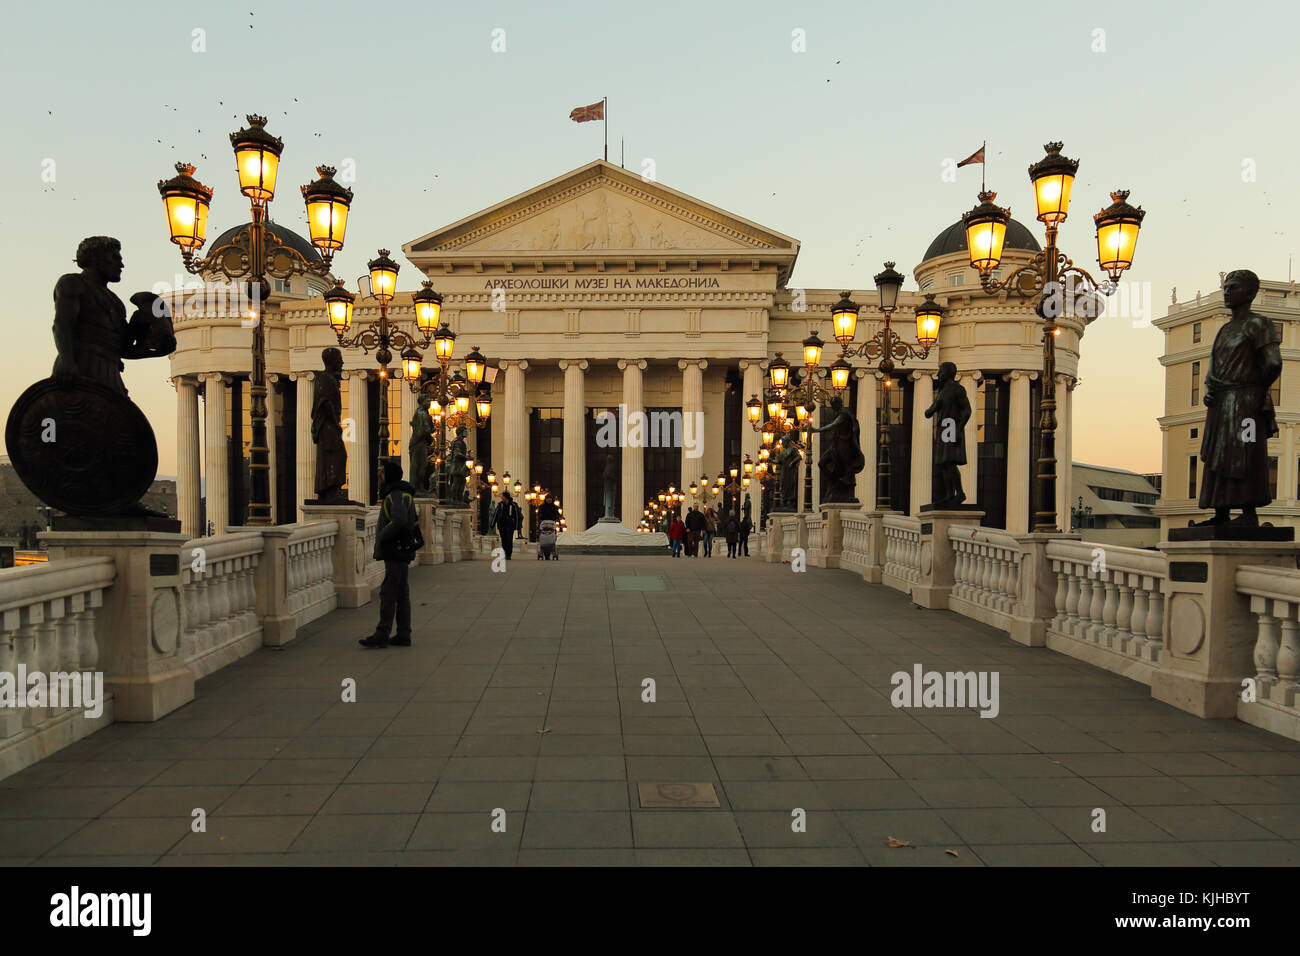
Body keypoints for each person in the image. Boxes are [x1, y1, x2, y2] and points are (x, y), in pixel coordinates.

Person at [1197, 269, 1282, 526]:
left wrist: (1254, 389)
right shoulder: (1225, 329)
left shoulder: (1259, 324)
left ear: (1249, 292)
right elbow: (1215, 367)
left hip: (1245, 401)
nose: (1227, 291)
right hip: (1222, 402)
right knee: (1219, 454)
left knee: (1245, 452)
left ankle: (1248, 513)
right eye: (1226, 287)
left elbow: (1273, 362)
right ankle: (1221, 512)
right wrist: (1212, 391)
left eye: (1233, 287)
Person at [360, 457, 418, 648]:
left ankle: (382, 633)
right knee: (401, 592)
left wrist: (383, 536)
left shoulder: (396, 495)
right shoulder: (403, 494)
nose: (380, 475)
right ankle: (403, 633)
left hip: (396, 549)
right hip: (402, 549)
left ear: (389, 475)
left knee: (389, 592)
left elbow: (399, 520)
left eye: (382, 472)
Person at [495, 491, 522, 559]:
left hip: (510, 526)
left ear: (506, 497)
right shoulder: (500, 505)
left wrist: (517, 526)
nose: (501, 497)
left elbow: (517, 515)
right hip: (502, 525)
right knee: (503, 540)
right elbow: (496, 514)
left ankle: (508, 554)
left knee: (509, 539)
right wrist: (493, 524)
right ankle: (505, 552)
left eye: (502, 496)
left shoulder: (513, 505)